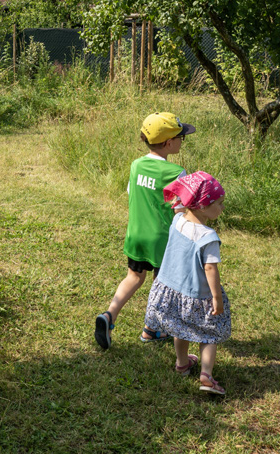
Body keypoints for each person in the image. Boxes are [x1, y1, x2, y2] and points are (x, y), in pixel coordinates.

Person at [94, 112, 195, 350]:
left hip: (136, 235)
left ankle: (109, 315)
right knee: (162, 286)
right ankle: (151, 330)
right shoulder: (176, 172)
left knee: (133, 277)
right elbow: (181, 210)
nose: (182, 141)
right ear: (168, 143)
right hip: (162, 241)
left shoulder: (136, 165)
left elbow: (133, 192)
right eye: (181, 137)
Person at [144, 171, 230, 395]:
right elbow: (210, 269)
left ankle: (182, 363)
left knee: (180, 327)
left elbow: (178, 208)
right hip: (198, 295)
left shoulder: (177, 221)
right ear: (201, 206)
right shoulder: (208, 237)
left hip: (173, 289)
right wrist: (216, 298)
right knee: (209, 333)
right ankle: (206, 375)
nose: (222, 207)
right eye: (219, 203)